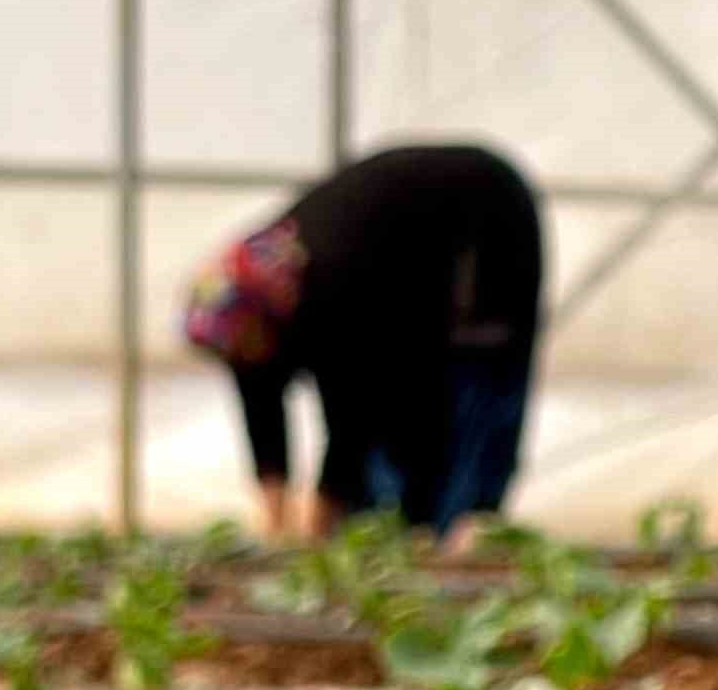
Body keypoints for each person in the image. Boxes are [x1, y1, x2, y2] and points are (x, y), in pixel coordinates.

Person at [182, 144, 543, 545]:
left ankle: (464, 527)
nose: (238, 360)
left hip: (486, 227)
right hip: (400, 273)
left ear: (266, 319)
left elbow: (352, 416)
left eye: (241, 348)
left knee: (458, 401)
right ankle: (413, 530)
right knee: (386, 466)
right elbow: (259, 400)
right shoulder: (257, 316)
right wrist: (276, 521)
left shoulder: (330, 289)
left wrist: (319, 517)